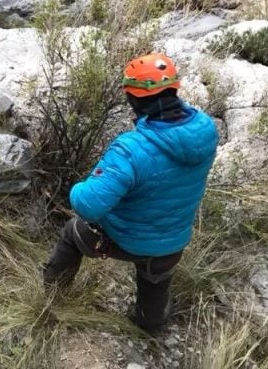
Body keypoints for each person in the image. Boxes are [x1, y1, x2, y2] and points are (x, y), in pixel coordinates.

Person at [42, 53, 218, 334]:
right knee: (155, 280)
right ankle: (150, 325)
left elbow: (88, 206)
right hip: (173, 242)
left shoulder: (131, 148)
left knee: (72, 233)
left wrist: (76, 188)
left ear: (133, 100)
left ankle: (50, 296)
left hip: (127, 239)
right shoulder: (206, 129)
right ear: (174, 89)